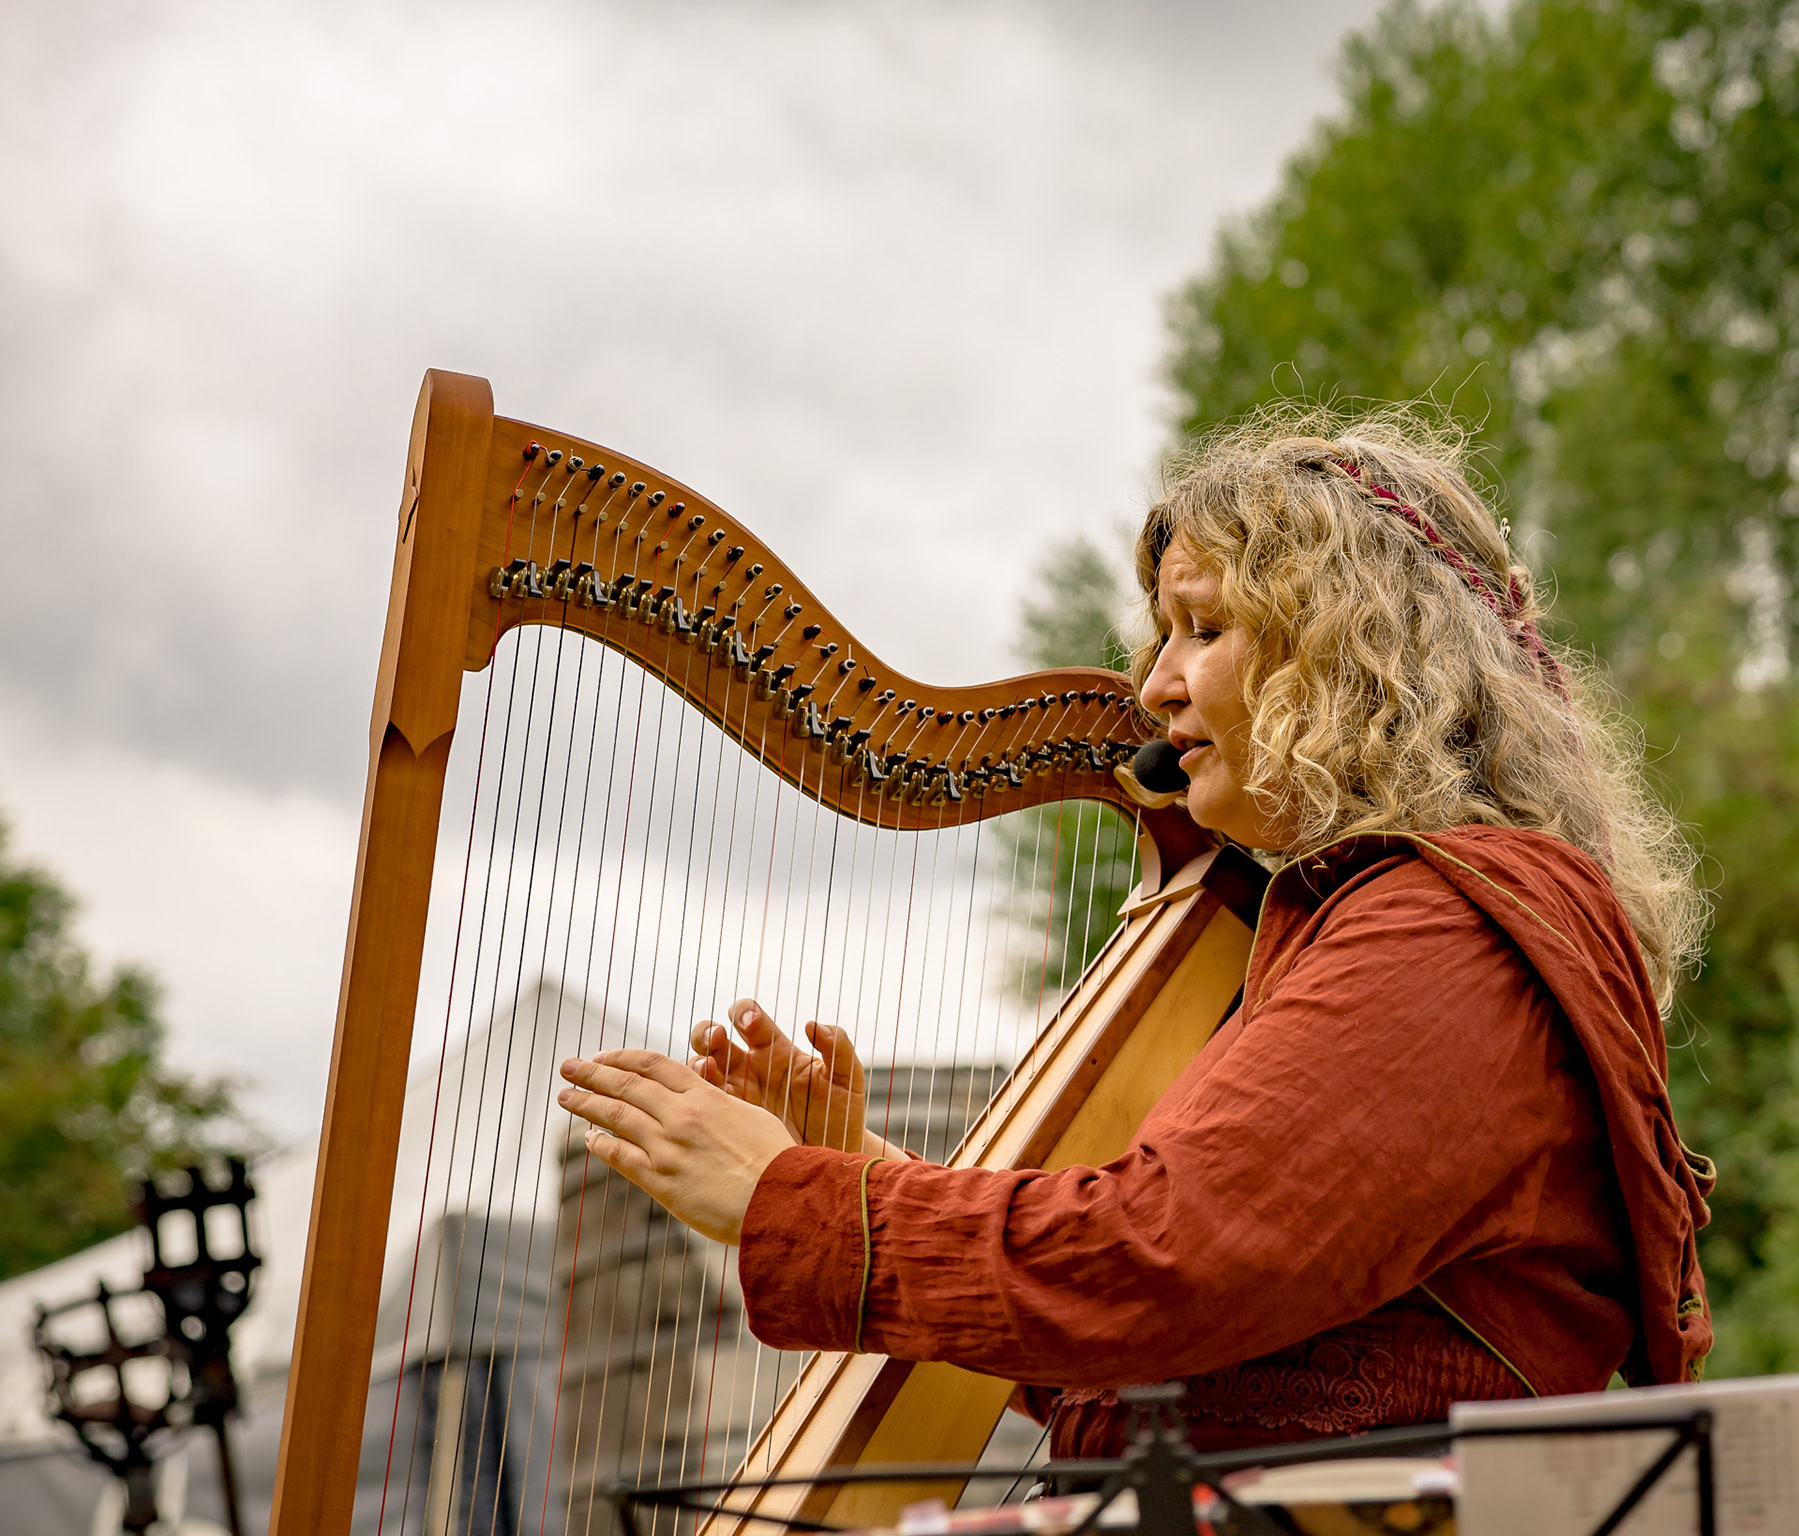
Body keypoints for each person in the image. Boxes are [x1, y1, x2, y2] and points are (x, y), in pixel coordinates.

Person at [554, 407, 1717, 1457]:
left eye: (1202, 629)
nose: (1154, 685)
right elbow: (1158, 1369)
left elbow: (1159, 1263)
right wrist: (871, 1182)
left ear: (1356, 660)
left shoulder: (1444, 938)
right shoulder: (1360, 925)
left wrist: (795, 1202)